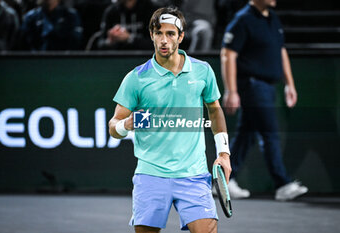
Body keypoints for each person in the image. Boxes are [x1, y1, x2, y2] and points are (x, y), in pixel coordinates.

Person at [109, 7, 231, 232]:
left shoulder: (202, 71)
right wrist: (125, 125)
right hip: (151, 175)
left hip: (193, 174)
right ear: (151, 35)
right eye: (158, 33)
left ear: (181, 36)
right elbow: (113, 127)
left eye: (170, 33)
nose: (164, 40)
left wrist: (224, 153)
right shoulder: (136, 78)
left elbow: (214, 110)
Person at [220, 0, 308, 201]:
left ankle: (223, 180)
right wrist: (231, 91)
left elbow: (281, 51)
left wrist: (290, 84)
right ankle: (282, 183)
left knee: (246, 135)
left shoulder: (273, 18)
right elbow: (228, 55)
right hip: (252, 85)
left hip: (268, 87)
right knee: (269, 133)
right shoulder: (242, 20)